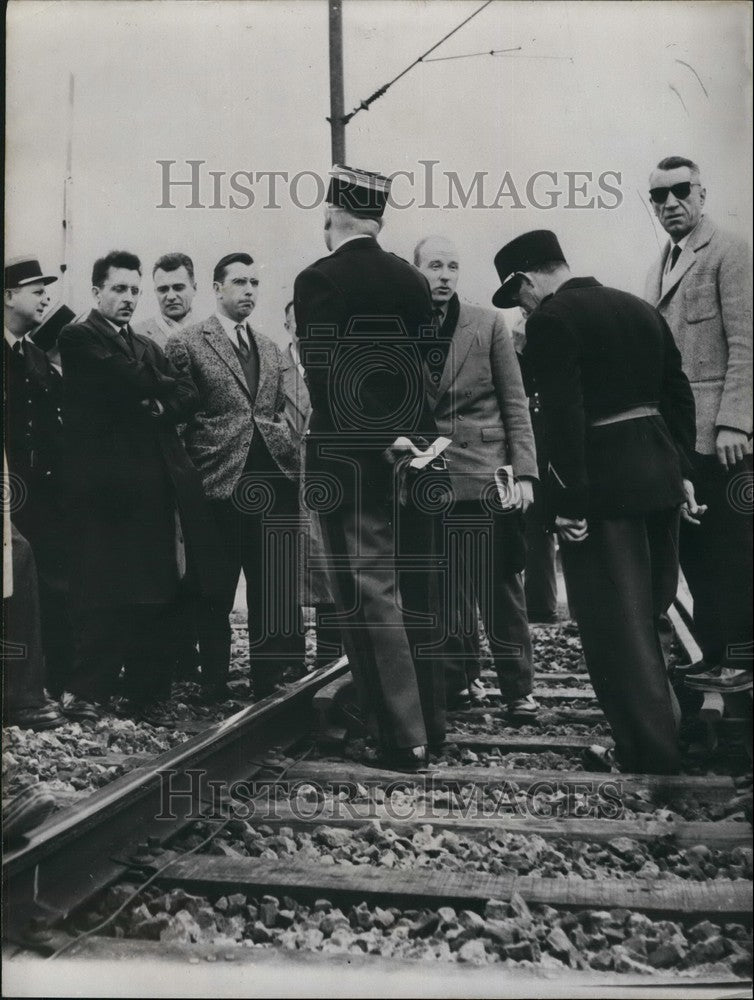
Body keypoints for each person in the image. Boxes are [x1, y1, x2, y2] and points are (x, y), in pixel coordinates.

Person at [493, 229, 698, 774]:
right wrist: (682, 471)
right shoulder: (638, 307)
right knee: (651, 611)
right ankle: (672, 727)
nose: (522, 306)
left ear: (527, 280)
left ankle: (647, 751)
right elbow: (679, 393)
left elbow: (563, 418)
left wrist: (568, 504)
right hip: (659, 478)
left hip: (604, 491)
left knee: (615, 625)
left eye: (517, 295)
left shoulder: (551, 322)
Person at [294, 165, 450, 770]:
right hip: (413, 459)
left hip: (349, 462)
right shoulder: (412, 281)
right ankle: (428, 727)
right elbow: (427, 369)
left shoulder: (318, 279)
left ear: (332, 215)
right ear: (378, 218)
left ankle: (403, 738)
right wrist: (407, 439)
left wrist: (374, 440)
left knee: (367, 597)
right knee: (411, 593)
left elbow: (326, 374)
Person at [58, 251, 218, 722]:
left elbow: (189, 393)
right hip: (105, 491)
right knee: (106, 590)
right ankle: (87, 691)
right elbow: (121, 379)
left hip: (152, 486)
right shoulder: (78, 336)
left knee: (156, 588)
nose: (128, 298)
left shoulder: (143, 343)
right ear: (96, 292)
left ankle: (147, 693)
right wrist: (158, 387)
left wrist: (157, 402)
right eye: (119, 289)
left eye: (133, 290)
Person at [166, 254, 304, 701]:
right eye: (239, 282)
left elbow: (273, 411)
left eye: (254, 282)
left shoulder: (267, 347)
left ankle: (266, 682)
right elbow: (179, 421)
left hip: (271, 483)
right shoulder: (188, 342)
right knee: (214, 590)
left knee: (269, 587)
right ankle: (213, 682)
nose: (249, 290)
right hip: (217, 482)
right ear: (217, 288)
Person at [413, 236, 539, 718]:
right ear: (417, 269)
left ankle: (518, 688)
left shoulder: (488, 323)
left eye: (452, 266)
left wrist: (525, 473)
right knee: (447, 589)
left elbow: (515, 403)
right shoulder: (407, 326)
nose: (444, 275)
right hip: (432, 476)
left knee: (500, 583)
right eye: (434, 266)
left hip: (488, 475)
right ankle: (461, 681)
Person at [645, 156, 752, 694]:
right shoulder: (662, 261)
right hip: (681, 438)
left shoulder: (730, 252)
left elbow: (747, 343)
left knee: (732, 548)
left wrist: (737, 422)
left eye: (680, 191)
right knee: (699, 551)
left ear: (702, 193)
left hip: (722, 438)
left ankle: (739, 658)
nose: (670, 204)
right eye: (658, 197)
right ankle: (715, 653)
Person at [4, 256, 74, 701]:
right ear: (8, 296)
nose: (45, 296)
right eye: (35, 288)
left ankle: (47, 683)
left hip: (42, 489)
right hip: (7, 487)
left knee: (50, 582)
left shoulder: (34, 355)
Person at [282, 301, 343, 669]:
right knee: (286, 571)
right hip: (287, 481)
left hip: (328, 482)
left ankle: (329, 659)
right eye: (296, 324)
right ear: (287, 326)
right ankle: (288, 660)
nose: (303, 333)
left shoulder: (332, 367)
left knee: (329, 570)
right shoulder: (275, 366)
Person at [134, 252, 197, 350]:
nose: (171, 297)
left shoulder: (214, 331)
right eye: (163, 289)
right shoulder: (135, 336)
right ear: (155, 291)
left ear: (194, 288)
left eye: (178, 288)